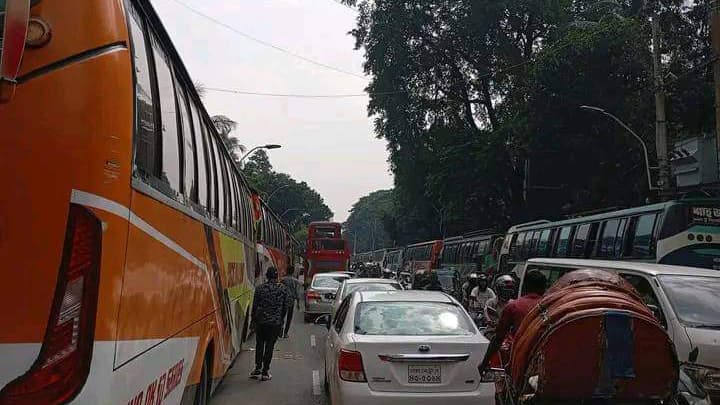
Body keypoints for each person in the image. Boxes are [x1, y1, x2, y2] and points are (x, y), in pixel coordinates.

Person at [478, 270, 547, 373]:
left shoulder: (513, 305)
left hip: (521, 356)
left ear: (524, 286)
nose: (508, 292)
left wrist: (484, 363)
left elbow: (498, 338)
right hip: (545, 357)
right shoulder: (552, 305)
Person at [250, 267, 289, 381]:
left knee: (259, 345)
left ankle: (257, 368)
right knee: (270, 346)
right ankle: (265, 372)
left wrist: (253, 320)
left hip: (261, 322)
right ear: (276, 277)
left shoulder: (260, 288)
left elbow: (255, 306)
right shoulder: (283, 289)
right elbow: (285, 307)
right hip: (275, 323)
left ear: (267, 276)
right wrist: (281, 320)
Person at [280, 265, 301, 339]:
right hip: (291, 301)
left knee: (281, 316)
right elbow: (297, 292)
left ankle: (280, 331)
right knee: (289, 317)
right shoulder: (295, 281)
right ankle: (285, 333)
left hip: (283, 300)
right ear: (293, 272)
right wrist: (298, 303)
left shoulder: (282, 280)